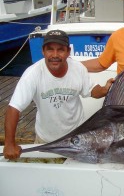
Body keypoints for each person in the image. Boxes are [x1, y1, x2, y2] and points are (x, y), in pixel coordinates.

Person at [3, 30, 114, 160]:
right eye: (50, 50)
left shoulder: (78, 69)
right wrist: (9, 143)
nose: (55, 55)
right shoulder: (32, 74)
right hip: (45, 140)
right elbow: (14, 109)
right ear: (43, 51)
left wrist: (105, 89)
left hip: (76, 139)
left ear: (68, 52)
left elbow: (91, 90)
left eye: (60, 50)